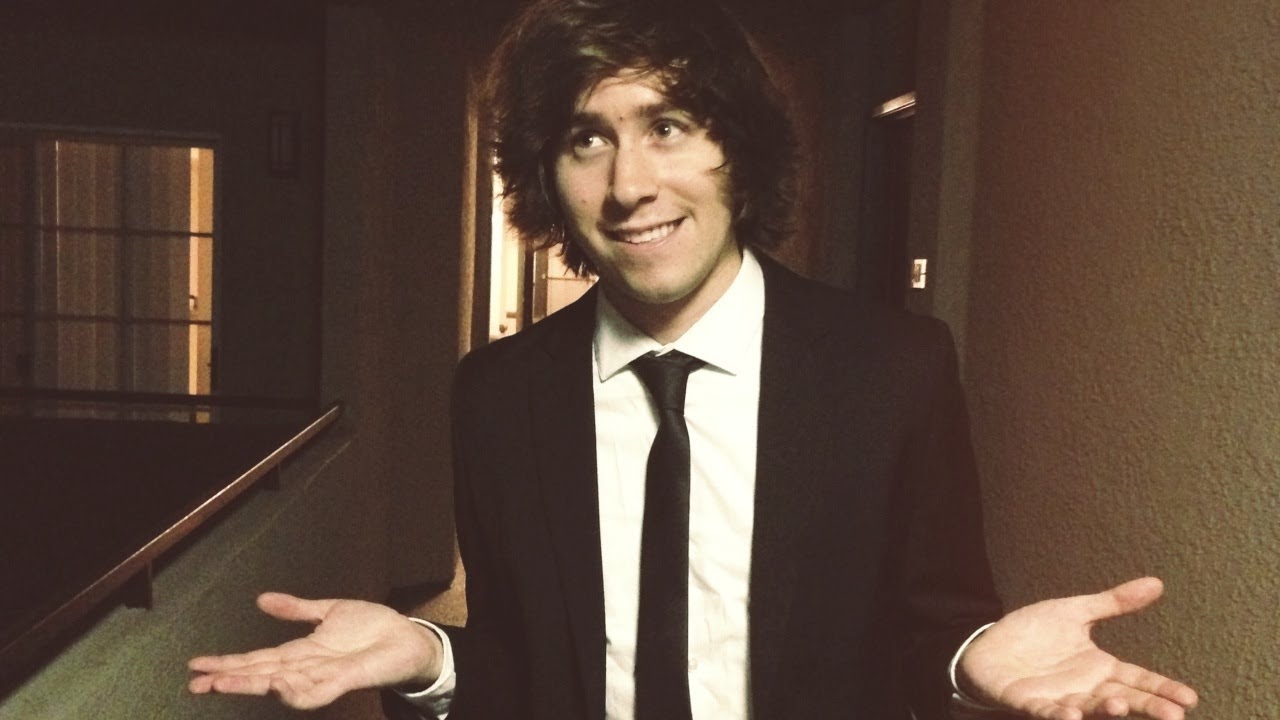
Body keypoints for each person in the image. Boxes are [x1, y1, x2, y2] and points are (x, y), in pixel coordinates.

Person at [188, 0, 1200, 718]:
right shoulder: (499, 394)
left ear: (737, 149)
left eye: (666, 127)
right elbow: (524, 666)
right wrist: (429, 658)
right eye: (586, 140)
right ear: (548, 174)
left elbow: (927, 626)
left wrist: (974, 657)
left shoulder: (892, 369)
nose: (629, 184)